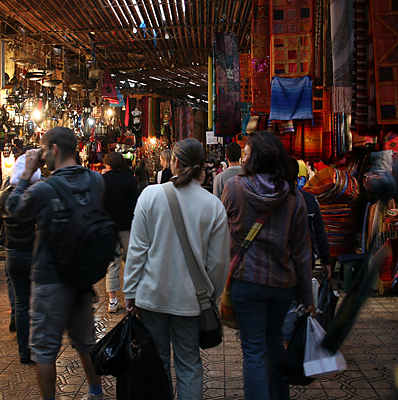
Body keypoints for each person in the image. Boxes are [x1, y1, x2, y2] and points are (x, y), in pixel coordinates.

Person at [123, 138, 230, 400]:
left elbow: (137, 250)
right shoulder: (213, 205)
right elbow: (218, 262)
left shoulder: (150, 195)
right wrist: (210, 294)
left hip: (152, 296)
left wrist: (130, 290)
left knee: (157, 362)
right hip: (191, 301)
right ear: (201, 167)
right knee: (189, 363)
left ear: (175, 163)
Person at [5, 127, 105, 400]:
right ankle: (96, 393)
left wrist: (26, 173)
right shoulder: (96, 181)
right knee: (86, 342)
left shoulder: (46, 189)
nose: (43, 155)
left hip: (50, 277)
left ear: (55, 150)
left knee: (44, 350)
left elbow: (12, 209)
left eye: (44, 149)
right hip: (82, 278)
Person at [221, 130, 314, 400]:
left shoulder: (234, 188)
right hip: (283, 284)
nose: (245, 155)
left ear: (255, 157)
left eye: (247, 151)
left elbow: (220, 232)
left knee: (253, 350)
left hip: (246, 281)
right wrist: (307, 296)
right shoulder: (294, 197)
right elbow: (302, 251)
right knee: (274, 342)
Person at [0, 150, 39, 364]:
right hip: (33, 253)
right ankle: (37, 348)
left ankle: (24, 352)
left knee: (21, 304)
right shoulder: (35, 195)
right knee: (35, 302)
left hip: (13, 253)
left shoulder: (4, 195)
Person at [101, 152, 138, 313]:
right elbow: (134, 204)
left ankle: (113, 300)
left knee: (111, 263)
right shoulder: (129, 179)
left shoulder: (102, 180)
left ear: (108, 164)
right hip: (127, 227)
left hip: (109, 228)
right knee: (130, 262)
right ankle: (131, 297)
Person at [290, 158, 332, 278]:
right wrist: (326, 261)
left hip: (280, 262)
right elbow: (319, 233)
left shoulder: (274, 200)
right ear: (297, 178)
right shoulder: (309, 200)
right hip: (305, 259)